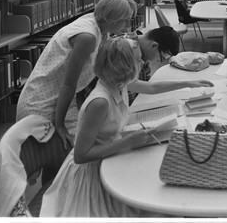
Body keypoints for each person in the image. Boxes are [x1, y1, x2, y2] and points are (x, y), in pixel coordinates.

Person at [40, 37, 159, 217]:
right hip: (91, 176)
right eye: (137, 59)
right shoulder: (100, 102)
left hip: (108, 160)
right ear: (124, 66)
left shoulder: (119, 85)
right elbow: (81, 155)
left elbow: (152, 88)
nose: (141, 63)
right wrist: (128, 142)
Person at [17, 0, 138, 149]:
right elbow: (68, 84)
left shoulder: (100, 28)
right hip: (41, 104)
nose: (127, 26)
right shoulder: (87, 37)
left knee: (68, 153)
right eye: (125, 20)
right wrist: (59, 125)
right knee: (60, 154)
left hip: (61, 102)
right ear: (112, 17)